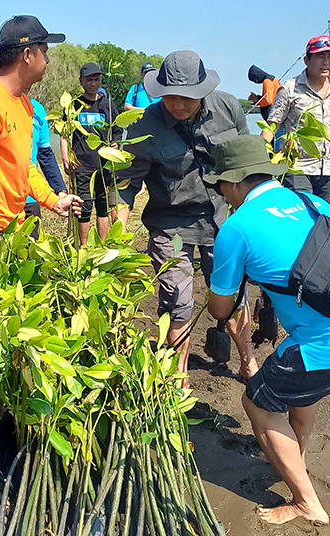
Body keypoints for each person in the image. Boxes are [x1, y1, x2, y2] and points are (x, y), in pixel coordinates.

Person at [205, 134, 330, 526]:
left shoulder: (236, 228)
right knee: (300, 382)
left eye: (221, 183)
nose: (222, 192)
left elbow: (221, 307)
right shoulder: (313, 202)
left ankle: (306, 503)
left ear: (235, 181)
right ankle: (295, 459)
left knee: (258, 402)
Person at [117, 50, 255, 385]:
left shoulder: (228, 109)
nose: (178, 105)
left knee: (232, 294)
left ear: (203, 90)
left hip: (222, 221)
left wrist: (252, 216)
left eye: (187, 98)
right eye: (170, 97)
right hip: (170, 223)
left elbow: (245, 166)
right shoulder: (143, 125)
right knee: (177, 302)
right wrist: (115, 240)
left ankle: (249, 361)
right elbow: (125, 186)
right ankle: (177, 378)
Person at [0, 15, 83, 255]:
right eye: (44, 51)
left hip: (10, 222)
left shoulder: (24, 104)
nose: (48, 60)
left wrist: (53, 200)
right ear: (28, 55)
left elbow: (23, 166)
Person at [262, 35, 330, 203]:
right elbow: (271, 127)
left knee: (322, 218)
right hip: (297, 169)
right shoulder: (290, 89)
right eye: (320, 56)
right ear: (307, 60)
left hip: (328, 170)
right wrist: (260, 162)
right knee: (303, 216)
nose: (326, 62)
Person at [60, 62, 122, 245]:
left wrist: (116, 144)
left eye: (96, 79)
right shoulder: (74, 105)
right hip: (82, 165)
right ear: (81, 81)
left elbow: (117, 131)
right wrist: (65, 156)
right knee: (84, 206)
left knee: (103, 207)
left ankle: (102, 247)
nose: (93, 83)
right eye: (89, 80)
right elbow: (64, 133)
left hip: (103, 165)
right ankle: (84, 246)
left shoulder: (108, 105)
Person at [24, 94, 68, 239]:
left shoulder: (38, 109)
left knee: (31, 254)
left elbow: (45, 154)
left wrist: (60, 190)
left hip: (30, 197)